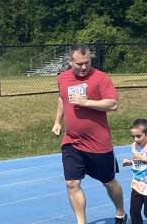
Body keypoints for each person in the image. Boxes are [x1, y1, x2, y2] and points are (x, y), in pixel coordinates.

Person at [52, 44, 128, 224]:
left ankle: (120, 212)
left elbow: (113, 104)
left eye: (87, 62)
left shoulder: (101, 78)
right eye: (79, 63)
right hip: (72, 141)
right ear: (70, 61)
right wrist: (57, 121)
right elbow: (62, 99)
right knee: (72, 183)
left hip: (98, 144)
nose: (84, 67)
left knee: (109, 182)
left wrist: (86, 102)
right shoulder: (63, 79)